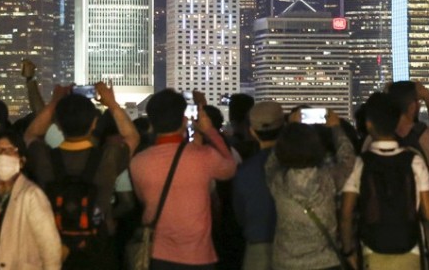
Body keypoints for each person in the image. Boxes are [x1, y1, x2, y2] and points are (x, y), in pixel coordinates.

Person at [25, 83, 140, 267]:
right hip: (98, 250)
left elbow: (31, 133)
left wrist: (54, 102)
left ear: (59, 126)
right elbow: (132, 137)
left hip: (55, 248)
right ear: (94, 123)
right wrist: (112, 104)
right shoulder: (107, 158)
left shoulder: (45, 158)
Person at [131, 89, 237, 270]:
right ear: (184, 120)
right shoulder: (203, 156)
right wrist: (210, 131)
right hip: (198, 255)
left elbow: (143, 200)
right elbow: (230, 168)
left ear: (152, 123)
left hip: (157, 252)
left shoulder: (138, 162)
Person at [341, 93, 429, 270]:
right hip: (410, 250)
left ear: (368, 124)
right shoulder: (414, 160)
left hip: (372, 251)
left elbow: (346, 214)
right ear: (398, 122)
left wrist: (348, 251)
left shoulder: (361, 163)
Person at [266, 109, 356, 270]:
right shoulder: (327, 179)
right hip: (326, 261)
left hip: (285, 262)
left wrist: (290, 130)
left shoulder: (278, 181)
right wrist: (336, 128)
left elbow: (271, 163)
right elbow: (347, 158)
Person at [388, 81, 429, 270]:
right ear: (413, 106)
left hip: (383, 232)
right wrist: (428, 100)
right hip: (424, 231)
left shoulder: (374, 139)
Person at [0, 129, 63, 270]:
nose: (2, 155)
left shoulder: (31, 195)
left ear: (22, 161)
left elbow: (50, 248)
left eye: (9, 150)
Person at [232, 101, 285, 270]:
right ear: (284, 126)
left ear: (252, 132)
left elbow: (240, 215)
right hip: (294, 245)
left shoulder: (245, 171)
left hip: (257, 245)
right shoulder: (297, 164)